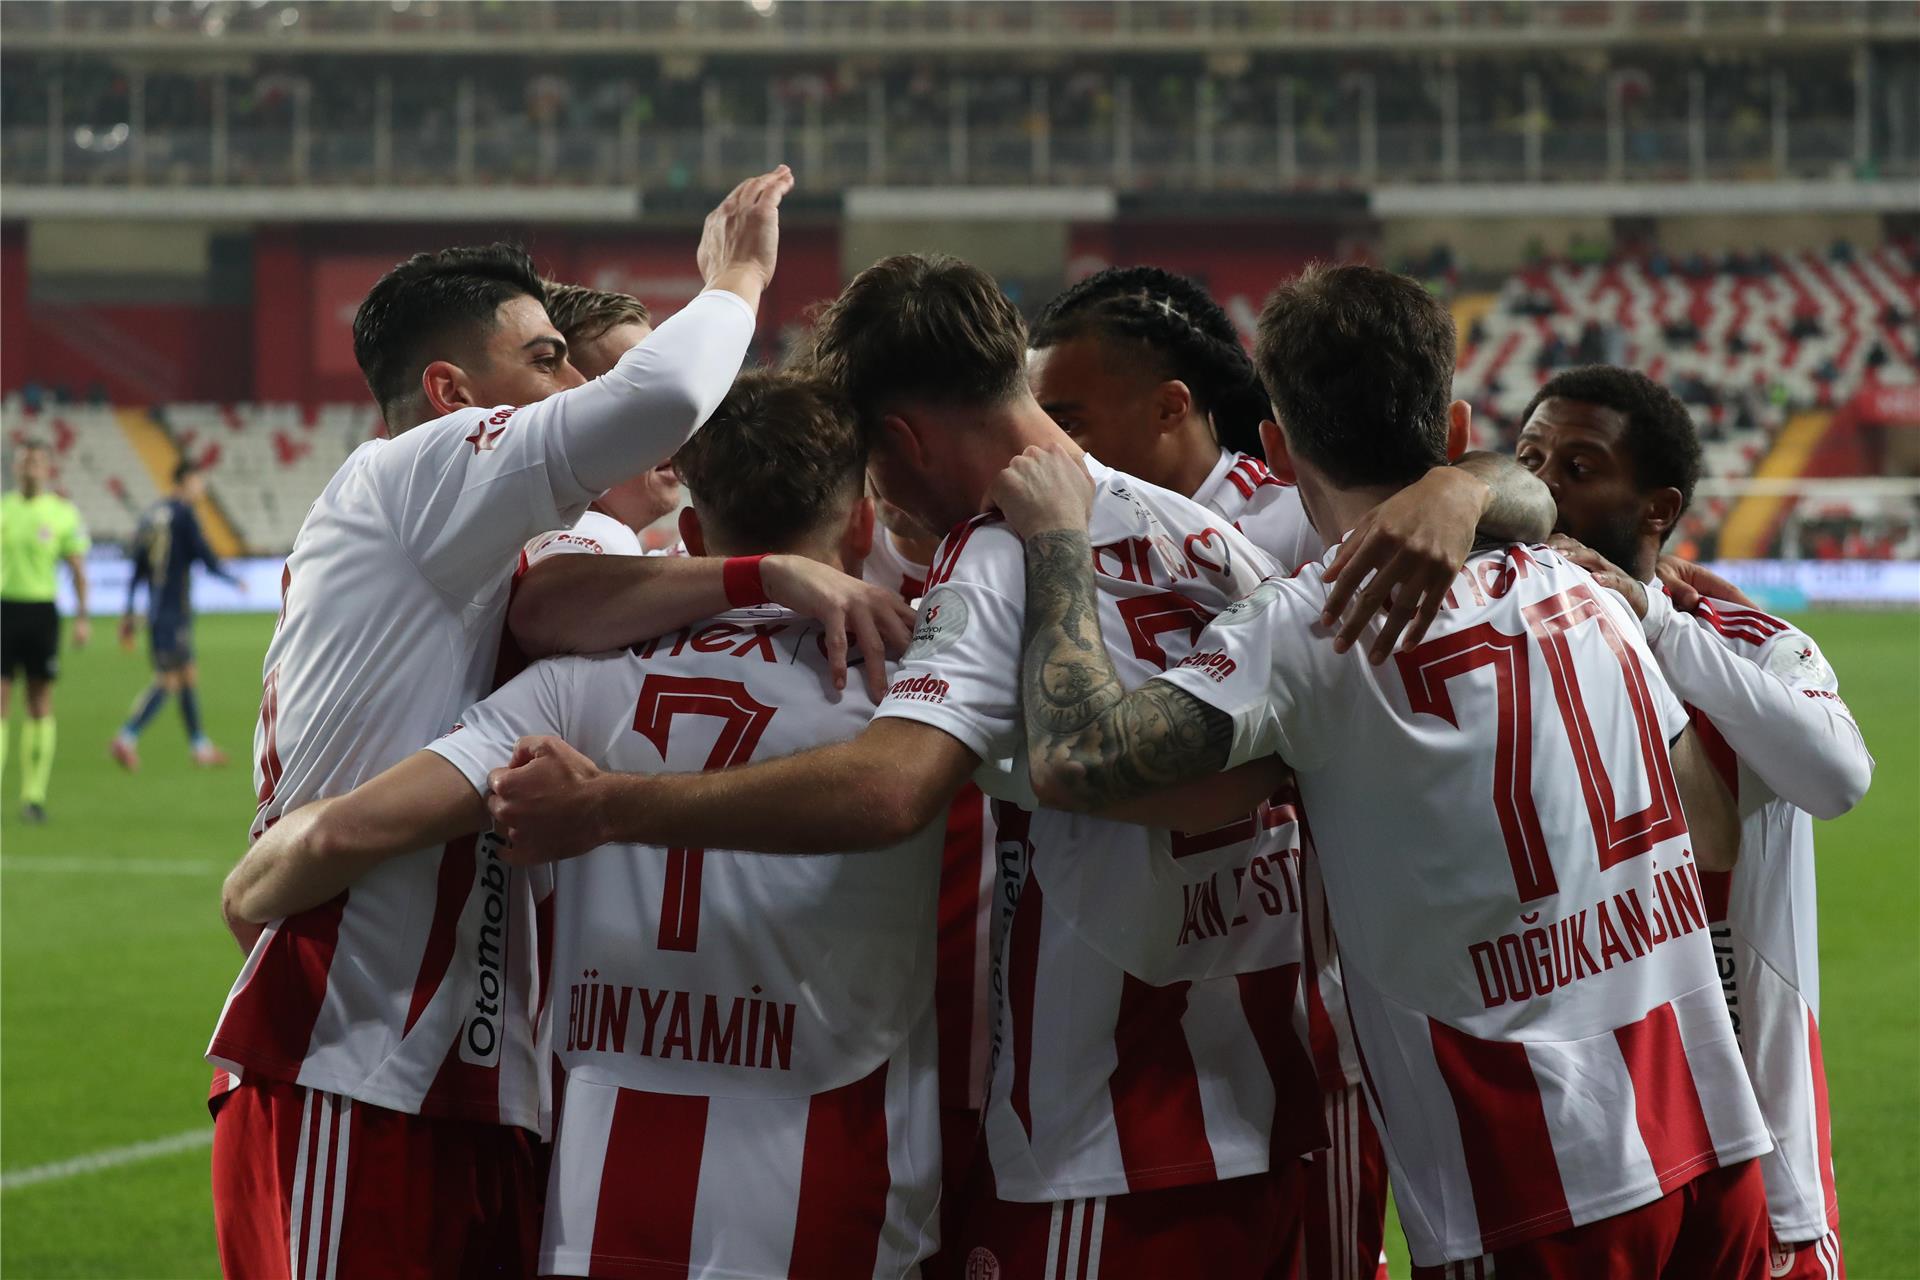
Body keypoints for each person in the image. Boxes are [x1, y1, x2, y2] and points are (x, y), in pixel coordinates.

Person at [483, 254, 1522, 1279]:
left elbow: (893, 785)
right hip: (1284, 1090)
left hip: (1112, 1133)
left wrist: (607, 805)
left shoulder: (995, 560)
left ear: (900, 441)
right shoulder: (1208, 532)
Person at [990, 263, 1773, 1280]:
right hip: (1713, 1131)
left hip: (1535, 1175)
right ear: (1455, 428)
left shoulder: (1312, 628)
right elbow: (1708, 830)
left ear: (1277, 448)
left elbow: (1076, 758)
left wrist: (1055, 537)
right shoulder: (1587, 587)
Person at [205, 168, 911, 1280]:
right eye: (553, 363)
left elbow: (562, 603)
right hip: (355, 1049)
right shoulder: (417, 473)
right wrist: (737, 275)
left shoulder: (517, 555)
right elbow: (636, 448)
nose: (581, 391)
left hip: (478, 1070)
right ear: (452, 392)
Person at [1028, 263, 1556, 1280]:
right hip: (1114, 1017)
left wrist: (1459, 485)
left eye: (1066, 416)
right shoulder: (1037, 521)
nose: (1043, 444)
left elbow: (1530, 496)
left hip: (1308, 1017)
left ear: (1172, 407)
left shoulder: (1292, 514)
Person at [1516, 365, 1873, 1280]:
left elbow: (1838, 777)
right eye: (1530, 459)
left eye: (1578, 467)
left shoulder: (1746, 643)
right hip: (1587, 1166)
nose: (1543, 486)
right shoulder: (1500, 649)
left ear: (1657, 508)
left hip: (1761, 1154)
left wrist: (1655, 623)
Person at [111, 460, 241, 771]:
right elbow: (205, 557)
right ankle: (126, 737)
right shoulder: (184, 514)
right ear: (185, 481)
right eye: (198, 481)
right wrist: (233, 579)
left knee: (186, 676)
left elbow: (137, 566)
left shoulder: (153, 514)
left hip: (158, 608)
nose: (202, 488)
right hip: (174, 610)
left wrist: (129, 610)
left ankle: (199, 746)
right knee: (169, 680)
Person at [0, 438, 89, 824]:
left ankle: (33, 795)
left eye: (36, 462)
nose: (30, 468)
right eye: (24, 462)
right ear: (15, 468)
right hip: (4, 610)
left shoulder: (62, 513)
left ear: (47, 468)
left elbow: (77, 569)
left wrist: (82, 617)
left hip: (41, 613)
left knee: (39, 702)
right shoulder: (3, 509)